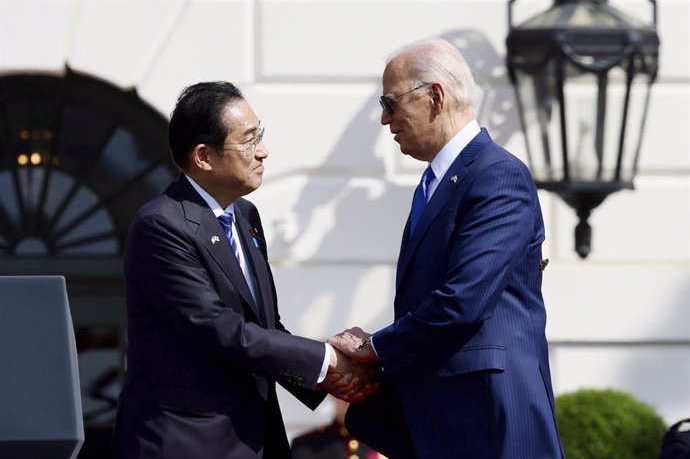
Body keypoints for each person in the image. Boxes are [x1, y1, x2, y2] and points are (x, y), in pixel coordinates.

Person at [111, 81, 375, 459]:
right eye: (249, 140)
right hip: (187, 443)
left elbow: (264, 326)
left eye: (260, 136)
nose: (263, 152)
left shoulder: (245, 217)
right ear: (204, 156)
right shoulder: (161, 225)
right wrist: (326, 360)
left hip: (254, 437)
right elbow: (219, 328)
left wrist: (329, 377)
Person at [329, 39, 565, 458]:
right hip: (447, 421)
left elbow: (463, 301)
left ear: (436, 96)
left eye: (390, 102)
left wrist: (375, 348)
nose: (385, 119)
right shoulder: (439, 181)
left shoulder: (497, 175)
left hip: (492, 420)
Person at [290, 397, 388, 459]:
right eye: (344, 392)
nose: (350, 399)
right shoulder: (305, 446)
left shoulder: (387, 442)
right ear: (332, 394)